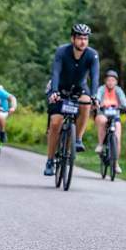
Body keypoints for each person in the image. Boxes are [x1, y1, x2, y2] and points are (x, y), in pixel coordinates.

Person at [43, 23, 100, 176]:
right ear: (72, 39)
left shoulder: (92, 55)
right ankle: (49, 160)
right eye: (80, 38)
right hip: (60, 89)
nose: (83, 41)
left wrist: (94, 95)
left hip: (79, 89)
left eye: (85, 39)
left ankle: (78, 139)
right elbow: (55, 72)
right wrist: (54, 91)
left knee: (86, 102)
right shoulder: (62, 51)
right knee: (55, 123)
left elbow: (94, 77)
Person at [93, 69, 126, 174]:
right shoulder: (102, 89)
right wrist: (97, 102)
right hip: (103, 114)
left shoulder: (118, 90)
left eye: (113, 80)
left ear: (116, 82)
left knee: (117, 137)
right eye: (108, 80)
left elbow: (124, 101)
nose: (110, 82)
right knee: (102, 121)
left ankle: (115, 164)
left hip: (115, 116)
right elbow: (97, 97)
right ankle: (101, 145)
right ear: (105, 81)